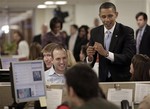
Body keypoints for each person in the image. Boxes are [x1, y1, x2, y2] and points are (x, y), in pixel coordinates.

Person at [86, 2, 136, 82]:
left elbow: (128, 58)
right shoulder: (95, 32)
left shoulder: (127, 31)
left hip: (121, 79)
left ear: (116, 14)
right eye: (103, 16)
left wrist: (106, 53)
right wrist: (90, 57)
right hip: (103, 79)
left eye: (110, 16)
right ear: (99, 16)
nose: (107, 19)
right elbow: (91, 61)